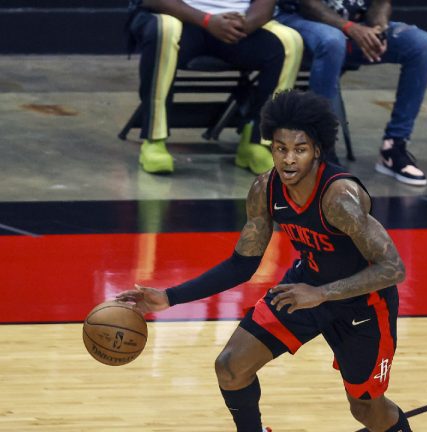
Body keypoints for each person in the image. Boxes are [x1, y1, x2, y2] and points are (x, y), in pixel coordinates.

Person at [117, 90, 412, 432]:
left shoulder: (338, 198)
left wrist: (322, 294)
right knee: (231, 367)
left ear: (317, 150)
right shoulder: (265, 190)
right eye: (281, 148)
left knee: (366, 410)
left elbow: (393, 268)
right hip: (303, 289)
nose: (289, 159)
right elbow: (242, 264)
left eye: (300, 149)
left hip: (362, 304)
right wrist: (170, 297)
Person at [127, 0, 303, 175]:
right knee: (164, 29)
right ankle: (154, 140)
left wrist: (245, 25)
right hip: (183, 18)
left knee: (290, 42)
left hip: (238, 24)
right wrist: (207, 21)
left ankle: (258, 142)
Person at [274, 0, 427, 186]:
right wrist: (350, 28)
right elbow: (308, 5)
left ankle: (394, 146)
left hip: (352, 28)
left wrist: (378, 28)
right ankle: (320, 150)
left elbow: (381, 3)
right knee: (332, 41)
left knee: (422, 44)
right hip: (300, 21)